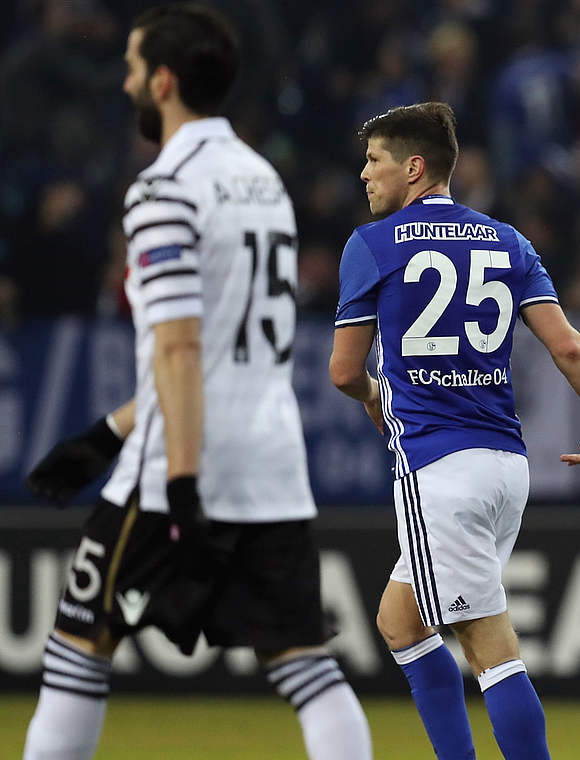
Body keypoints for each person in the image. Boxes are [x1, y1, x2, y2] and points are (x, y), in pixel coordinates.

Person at [21, 5, 372, 759]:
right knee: (309, 670)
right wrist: (103, 435)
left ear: (165, 81)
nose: (124, 82)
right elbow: (219, 353)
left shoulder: (161, 189)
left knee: (77, 650)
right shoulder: (263, 181)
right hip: (273, 465)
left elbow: (180, 351)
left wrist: (181, 486)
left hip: (179, 467)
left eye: (132, 66)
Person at [328, 101, 580, 760]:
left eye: (374, 162)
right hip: (504, 467)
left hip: (439, 473)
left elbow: (344, 371)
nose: (365, 176)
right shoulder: (509, 241)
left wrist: (376, 397)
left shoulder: (370, 245)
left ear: (414, 167)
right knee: (399, 620)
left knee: (491, 648)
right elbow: (569, 347)